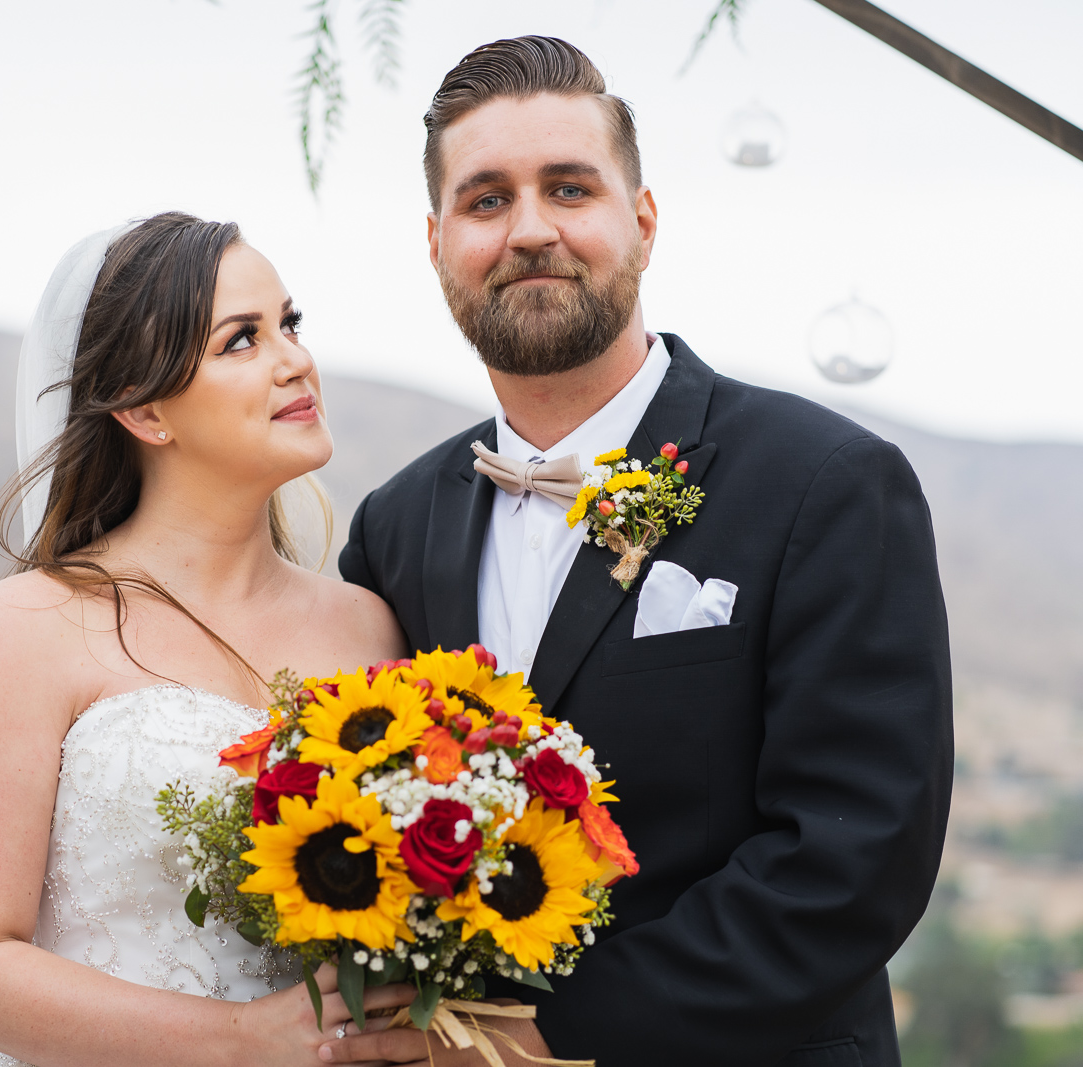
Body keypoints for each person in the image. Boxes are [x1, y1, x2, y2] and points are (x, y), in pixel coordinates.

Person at [320, 36, 953, 1067]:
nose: (529, 230)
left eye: (568, 188)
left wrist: (539, 1038)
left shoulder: (825, 482)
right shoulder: (396, 525)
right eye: (485, 201)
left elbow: (851, 857)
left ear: (643, 222)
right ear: (437, 242)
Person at [0, 213, 417, 1067]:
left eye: (289, 324)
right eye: (241, 340)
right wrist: (243, 1042)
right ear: (146, 409)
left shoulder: (367, 626)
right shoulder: (27, 628)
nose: (295, 359)